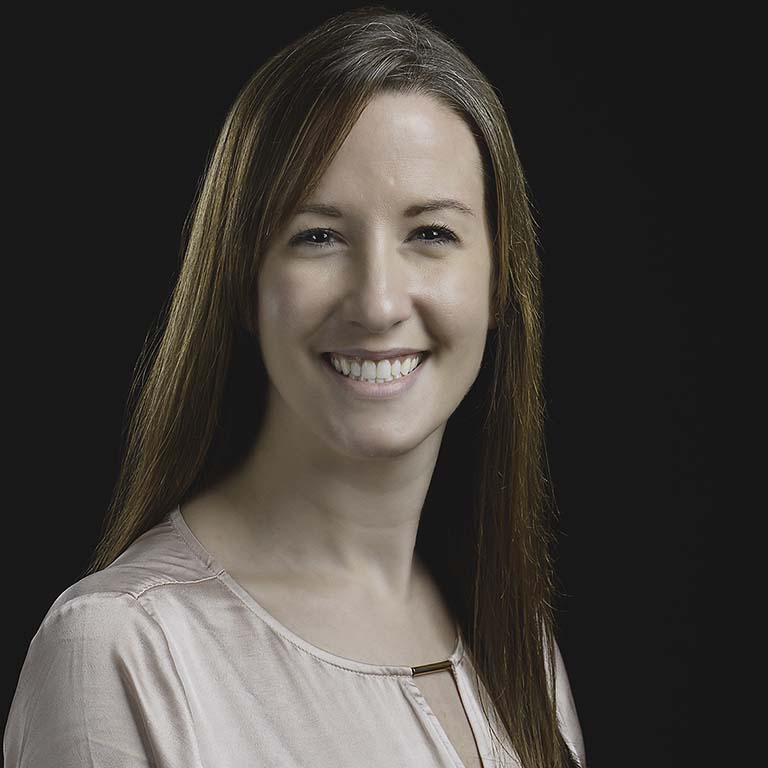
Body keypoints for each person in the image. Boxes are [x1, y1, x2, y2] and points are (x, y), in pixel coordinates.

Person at [4, 6, 587, 767]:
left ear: (499, 282)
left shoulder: (519, 648)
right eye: (318, 236)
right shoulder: (125, 651)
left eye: (431, 233)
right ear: (244, 284)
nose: (378, 302)